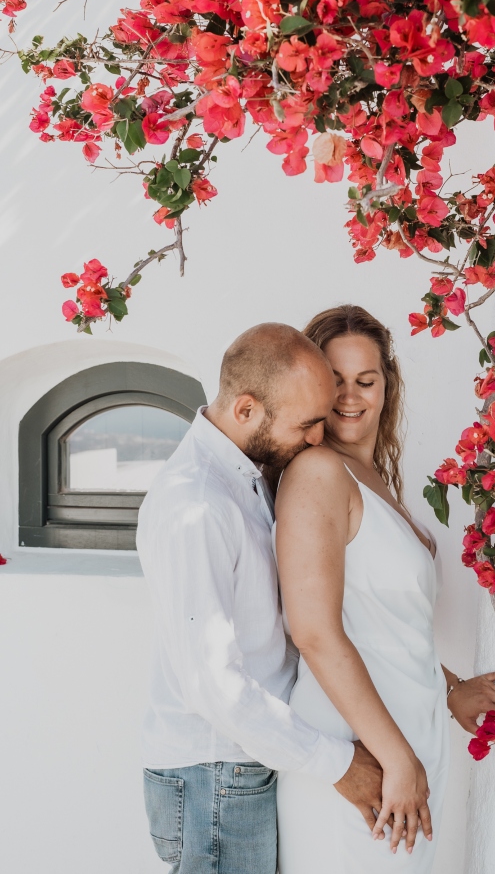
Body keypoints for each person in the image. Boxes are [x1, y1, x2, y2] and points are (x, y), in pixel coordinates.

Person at [274, 305, 495, 874]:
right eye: (334, 380)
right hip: (366, 756)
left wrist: (449, 688)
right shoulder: (317, 471)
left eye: (365, 381)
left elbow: (384, 627)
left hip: (408, 750)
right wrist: (395, 759)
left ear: (387, 386)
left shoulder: (373, 479)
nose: (348, 397)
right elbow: (314, 633)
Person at [136, 323, 387, 874]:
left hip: (240, 768)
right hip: (214, 779)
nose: (318, 438)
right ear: (246, 410)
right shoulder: (196, 506)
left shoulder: (243, 477)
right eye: (306, 424)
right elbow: (214, 686)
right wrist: (340, 764)